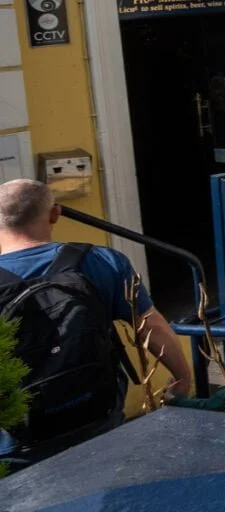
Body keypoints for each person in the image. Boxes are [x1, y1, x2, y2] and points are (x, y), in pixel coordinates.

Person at [0, 178, 192, 448]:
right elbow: (151, 327)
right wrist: (182, 378)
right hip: (96, 415)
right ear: (55, 214)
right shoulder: (102, 261)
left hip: (16, 436)